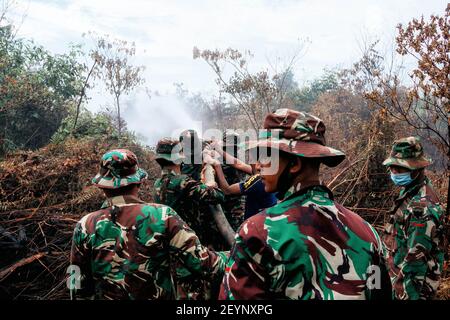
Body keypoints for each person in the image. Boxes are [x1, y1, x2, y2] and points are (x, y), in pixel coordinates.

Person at [219, 108, 391, 300]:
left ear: (294, 165)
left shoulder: (259, 232)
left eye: (266, 157)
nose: (259, 166)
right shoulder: (367, 233)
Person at [69, 149, 227, 300]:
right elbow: (205, 264)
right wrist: (236, 253)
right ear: (139, 182)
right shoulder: (162, 216)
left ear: (102, 186)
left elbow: (76, 284)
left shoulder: (84, 225)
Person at [382, 136, 446, 300]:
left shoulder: (422, 210)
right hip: (398, 277)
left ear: (417, 169)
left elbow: (415, 265)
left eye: (400, 168)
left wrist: (403, 294)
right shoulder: (411, 189)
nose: (394, 172)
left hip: (412, 289)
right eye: (392, 167)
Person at [211, 145, 278, 220]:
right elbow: (239, 164)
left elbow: (227, 191)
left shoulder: (258, 179)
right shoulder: (268, 173)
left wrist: (217, 165)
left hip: (255, 225)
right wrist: (219, 150)